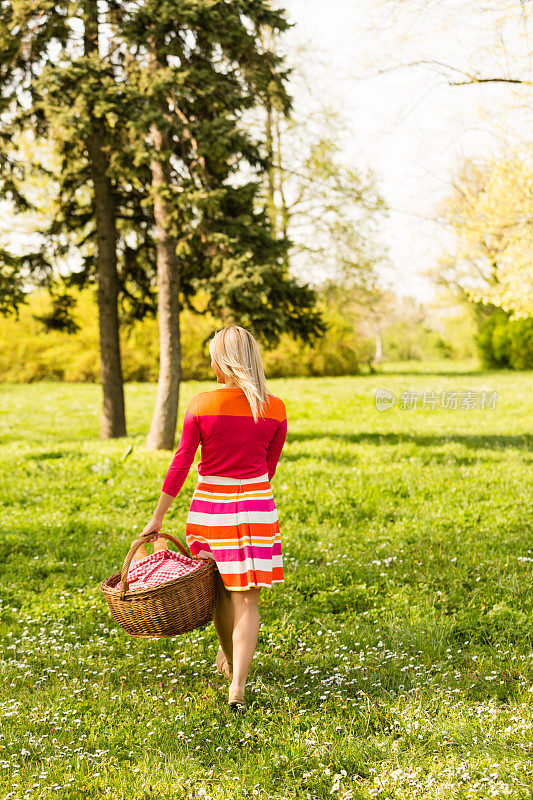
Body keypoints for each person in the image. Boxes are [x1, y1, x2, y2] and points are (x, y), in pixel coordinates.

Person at [141, 325, 287, 711]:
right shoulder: (275, 408)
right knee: (247, 601)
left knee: (219, 590)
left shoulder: (201, 404)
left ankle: (227, 657)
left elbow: (181, 464)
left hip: (210, 506)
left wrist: (157, 517)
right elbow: (268, 469)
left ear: (222, 359)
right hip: (255, 505)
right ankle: (237, 684)